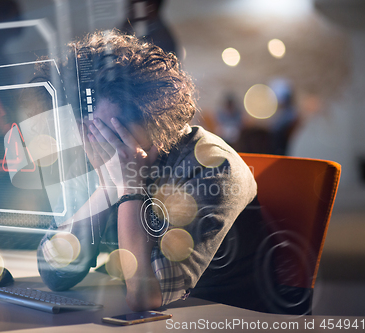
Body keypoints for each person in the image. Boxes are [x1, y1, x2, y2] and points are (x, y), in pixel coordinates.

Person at [36, 30, 271, 312]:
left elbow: (144, 297)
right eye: (86, 129)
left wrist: (130, 188)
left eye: (111, 131)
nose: (95, 142)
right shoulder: (98, 151)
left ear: (153, 118)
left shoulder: (212, 169)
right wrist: (108, 188)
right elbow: (55, 273)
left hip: (226, 317)